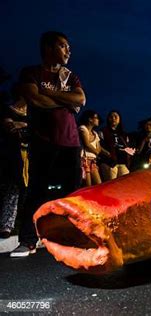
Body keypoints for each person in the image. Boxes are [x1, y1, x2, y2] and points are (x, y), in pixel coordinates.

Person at [11, 31, 86, 257]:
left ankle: (76, 237)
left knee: (72, 193)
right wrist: (62, 100)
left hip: (70, 141)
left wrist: (47, 92)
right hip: (43, 141)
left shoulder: (70, 76)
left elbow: (80, 99)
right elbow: (35, 99)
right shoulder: (31, 72)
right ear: (48, 48)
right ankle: (28, 240)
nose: (68, 51)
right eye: (63, 46)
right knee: (37, 190)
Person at [0, 95, 28, 238]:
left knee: (22, 190)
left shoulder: (32, 113)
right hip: (10, 152)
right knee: (10, 186)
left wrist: (21, 125)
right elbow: (8, 126)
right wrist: (23, 125)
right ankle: (7, 224)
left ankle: (13, 224)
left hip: (27, 155)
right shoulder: (8, 110)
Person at [99, 110, 135, 181]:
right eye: (111, 117)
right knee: (110, 185)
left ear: (119, 119)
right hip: (109, 162)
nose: (113, 118)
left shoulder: (124, 134)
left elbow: (128, 148)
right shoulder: (103, 131)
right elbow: (99, 146)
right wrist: (108, 154)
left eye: (116, 116)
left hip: (123, 163)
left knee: (124, 184)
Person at [78, 110, 106, 186]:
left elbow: (99, 147)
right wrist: (96, 152)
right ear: (90, 119)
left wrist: (98, 151)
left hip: (93, 161)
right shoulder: (83, 128)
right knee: (87, 185)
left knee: (99, 184)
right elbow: (86, 144)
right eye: (96, 118)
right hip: (84, 160)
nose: (98, 120)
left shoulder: (95, 134)